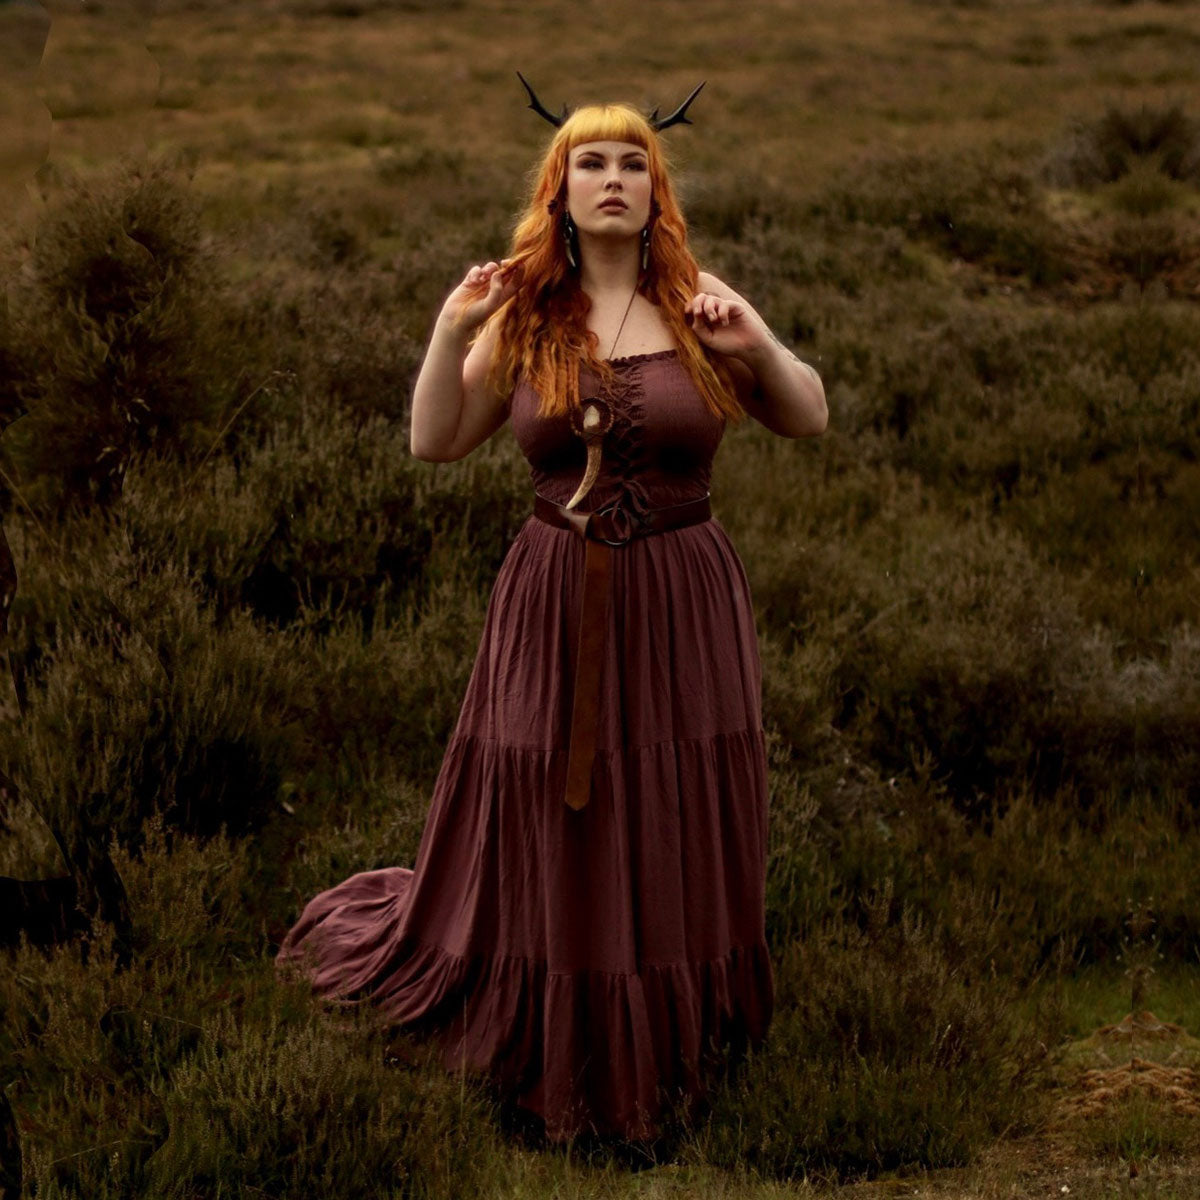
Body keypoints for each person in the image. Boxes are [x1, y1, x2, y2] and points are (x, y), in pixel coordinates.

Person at [275, 80, 827, 1148]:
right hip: (553, 596)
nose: (613, 181)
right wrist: (449, 330)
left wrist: (759, 343)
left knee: (670, 798)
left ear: (655, 191)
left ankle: (679, 1042)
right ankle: (559, 1041)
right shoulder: (524, 319)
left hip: (683, 600)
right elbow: (435, 442)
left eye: (633, 165)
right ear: (559, 191)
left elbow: (807, 416)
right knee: (556, 807)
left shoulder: (700, 306)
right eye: (591, 164)